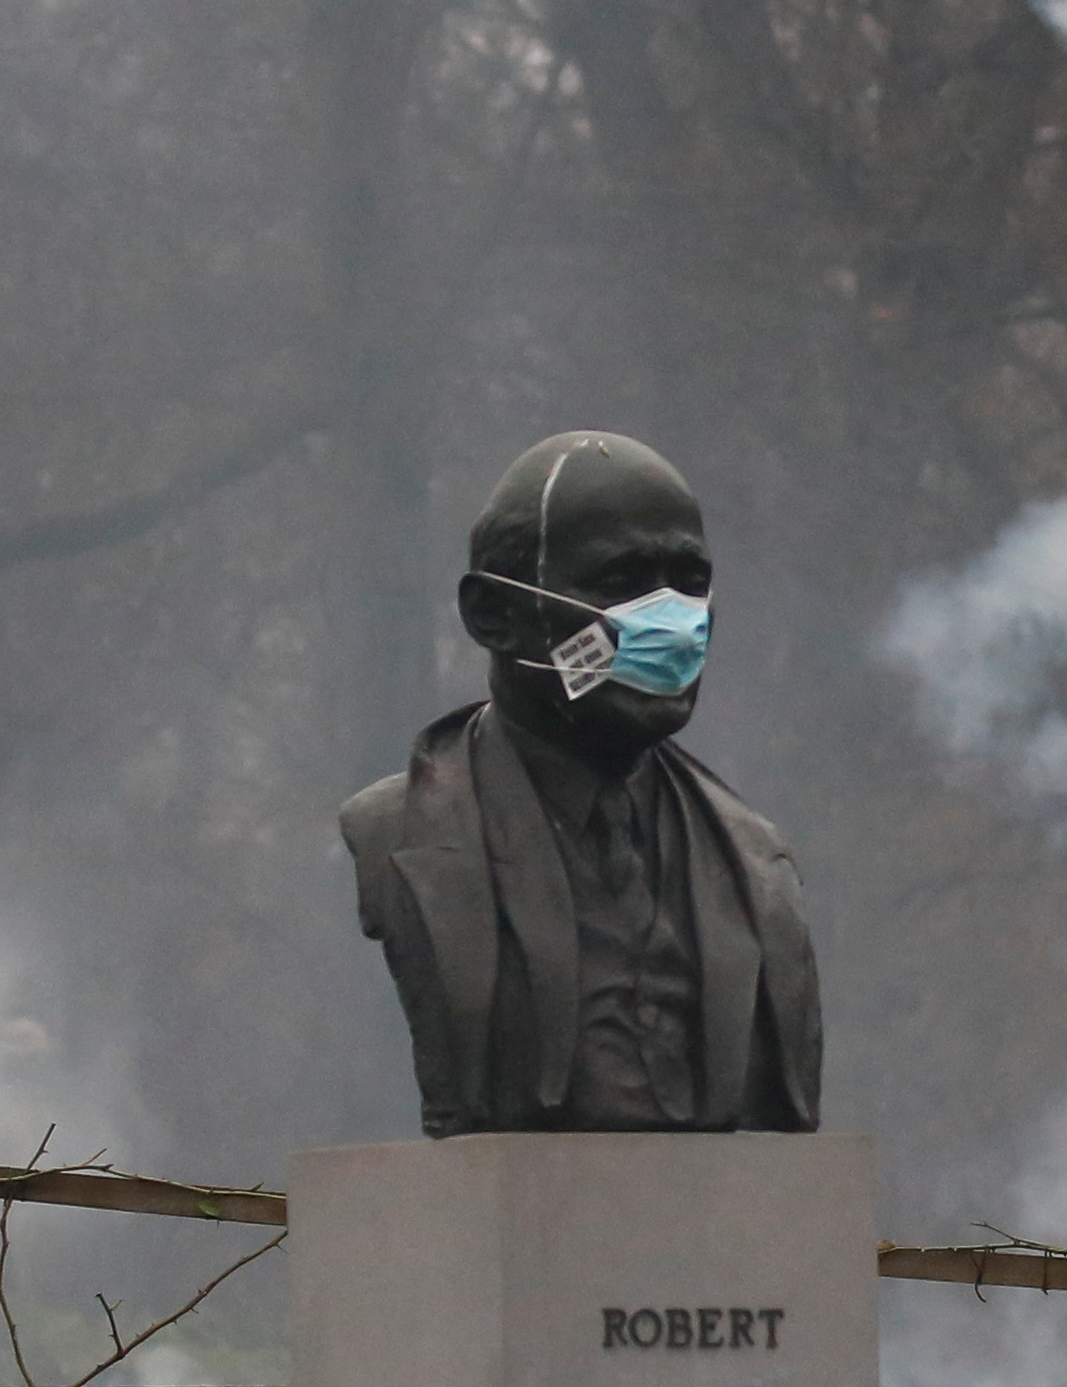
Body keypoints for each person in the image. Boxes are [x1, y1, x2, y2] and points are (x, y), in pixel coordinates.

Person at [341, 432, 822, 1136]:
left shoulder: (757, 863)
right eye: (618, 582)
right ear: (493, 615)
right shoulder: (400, 830)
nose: (670, 621)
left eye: (688, 583)